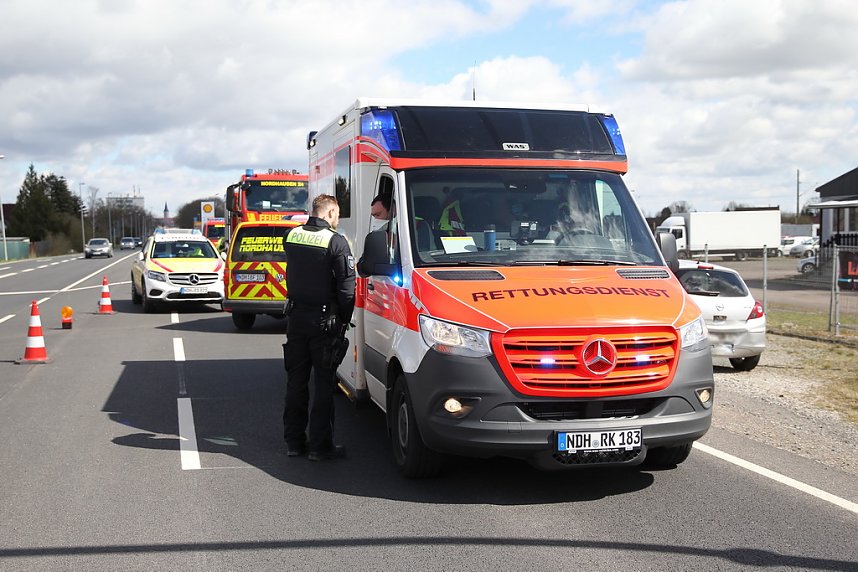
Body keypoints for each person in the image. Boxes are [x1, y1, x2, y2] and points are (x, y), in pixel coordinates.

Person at [282, 194, 356, 461]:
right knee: (324, 385)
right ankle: (319, 446)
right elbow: (347, 289)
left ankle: (293, 442)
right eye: (336, 214)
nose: (337, 219)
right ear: (331, 212)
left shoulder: (291, 236)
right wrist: (344, 319)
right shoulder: (336, 241)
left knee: (296, 382)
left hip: (296, 319)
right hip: (325, 323)